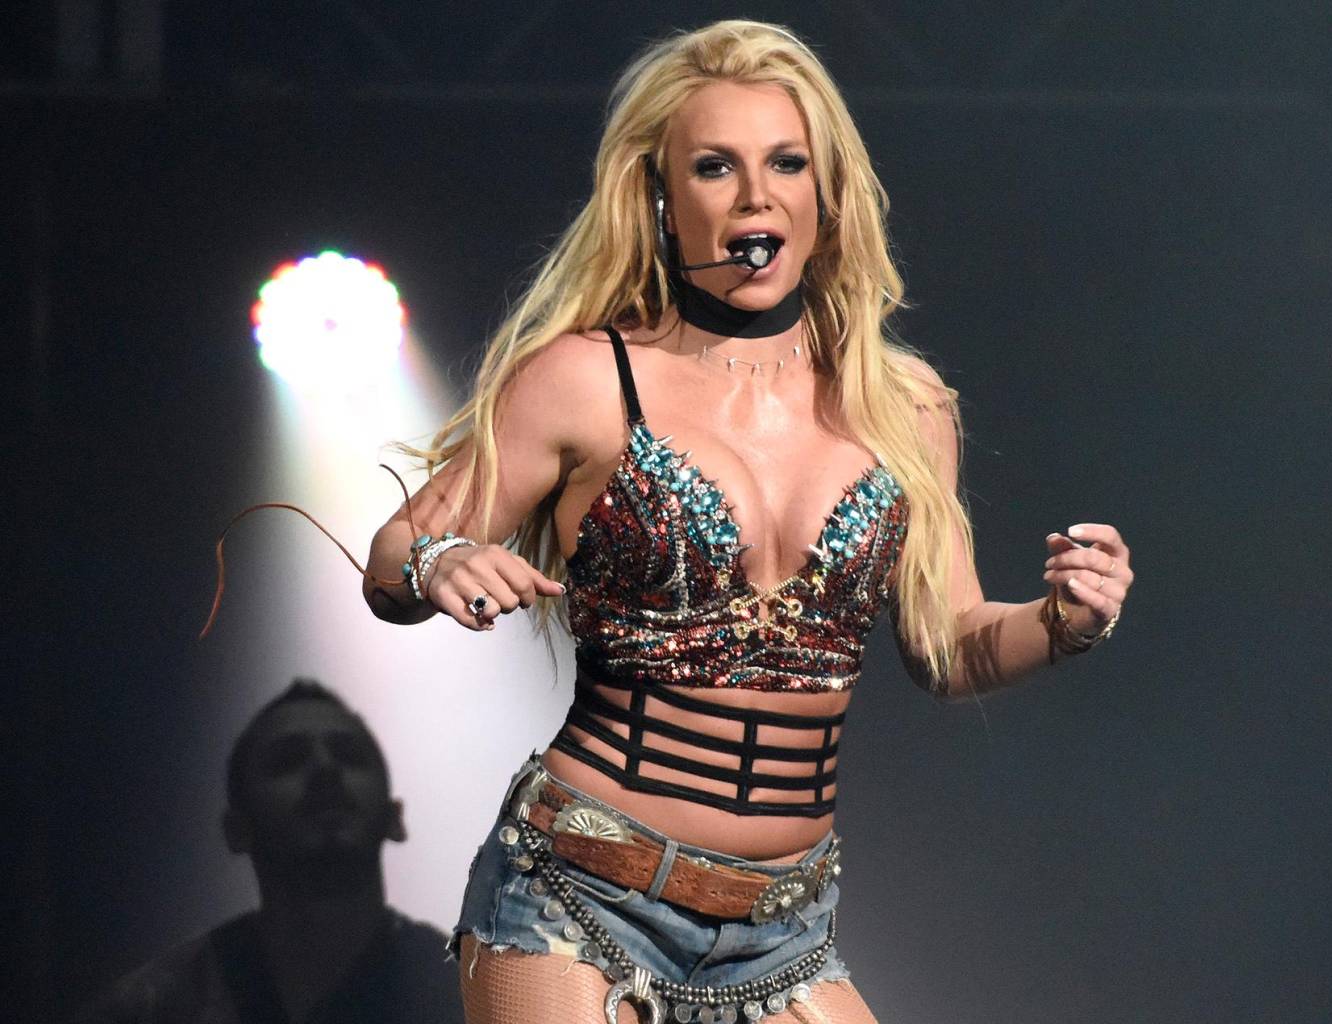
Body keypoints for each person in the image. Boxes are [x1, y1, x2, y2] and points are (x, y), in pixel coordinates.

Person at [362, 20, 1133, 1024]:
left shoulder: (904, 406)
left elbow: (946, 646)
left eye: (785, 164)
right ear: (660, 197)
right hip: (578, 892)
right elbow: (393, 552)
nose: (755, 196)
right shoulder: (585, 380)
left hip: (782, 929)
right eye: (715, 167)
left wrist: (1064, 621)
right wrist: (439, 560)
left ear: (825, 194)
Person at [74, 680, 462, 1024]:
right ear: (237, 830)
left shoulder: (470, 995)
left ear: (394, 818)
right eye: (287, 760)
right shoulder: (152, 1008)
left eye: (348, 755)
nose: (325, 769)